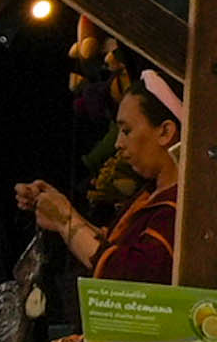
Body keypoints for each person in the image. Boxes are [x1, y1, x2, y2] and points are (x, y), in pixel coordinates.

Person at [18, 78, 182, 282]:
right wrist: (58, 211)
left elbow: (131, 276)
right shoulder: (150, 193)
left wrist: (65, 219)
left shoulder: (179, 208)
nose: (118, 143)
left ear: (165, 132)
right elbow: (115, 245)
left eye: (127, 131)